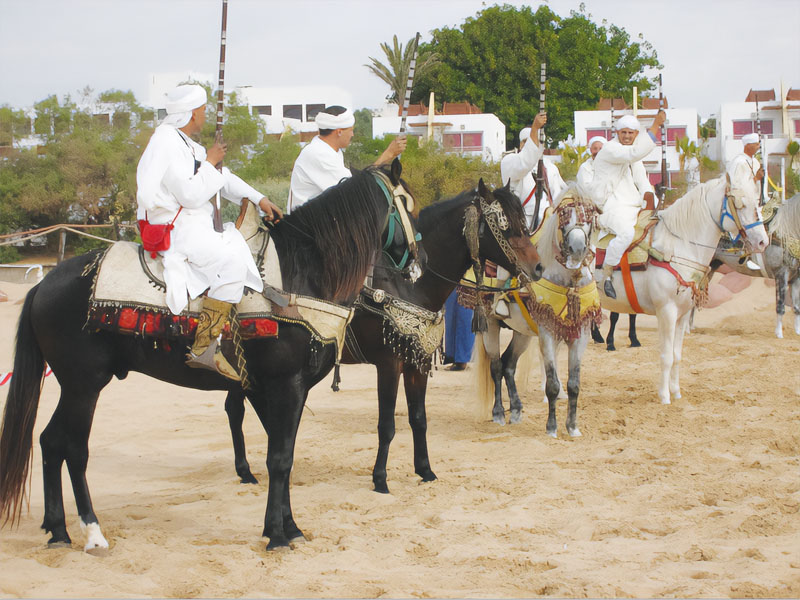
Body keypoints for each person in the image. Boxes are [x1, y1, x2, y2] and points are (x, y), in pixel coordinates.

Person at [136, 84, 282, 380]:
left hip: (195, 224)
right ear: (192, 114)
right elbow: (190, 194)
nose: (205, 115)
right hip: (177, 228)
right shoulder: (165, 142)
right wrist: (211, 162)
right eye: (202, 110)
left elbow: (222, 179)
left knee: (239, 246)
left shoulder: (187, 143)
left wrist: (259, 198)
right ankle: (204, 345)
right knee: (230, 262)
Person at [591, 111, 665, 299]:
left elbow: (642, 182)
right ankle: (606, 273)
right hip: (609, 207)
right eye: (623, 132)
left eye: (631, 133)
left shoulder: (633, 158)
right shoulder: (610, 149)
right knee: (626, 233)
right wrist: (656, 125)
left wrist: (652, 201)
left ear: (636, 135)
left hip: (632, 206)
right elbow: (634, 152)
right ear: (617, 133)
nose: (627, 136)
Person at [287, 105, 407, 213]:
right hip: (308, 231)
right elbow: (354, 189)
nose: (352, 135)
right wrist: (388, 154)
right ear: (339, 132)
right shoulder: (318, 153)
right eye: (351, 130)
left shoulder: (330, 151)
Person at [499, 113, 548, 229]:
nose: (528, 145)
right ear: (520, 144)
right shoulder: (509, 161)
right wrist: (535, 128)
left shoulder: (549, 167)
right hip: (522, 225)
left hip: (547, 224)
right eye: (525, 141)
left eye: (533, 141)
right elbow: (526, 162)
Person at [443, 290, 475, 371]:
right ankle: (454, 357)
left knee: (463, 317)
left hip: (467, 283)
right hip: (453, 285)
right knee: (452, 317)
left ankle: (461, 360)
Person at [726, 132, 763, 200]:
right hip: (743, 203)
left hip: (756, 200)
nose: (758, 147)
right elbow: (736, 187)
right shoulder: (738, 162)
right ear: (748, 145)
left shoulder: (756, 162)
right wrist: (755, 178)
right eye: (756, 144)